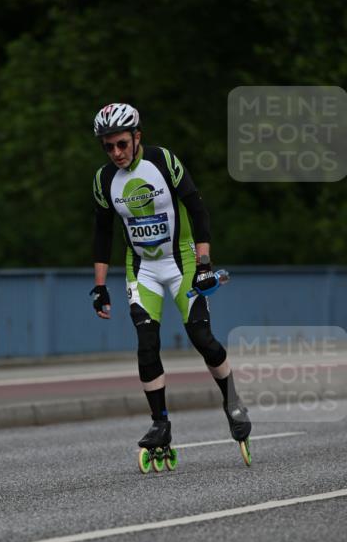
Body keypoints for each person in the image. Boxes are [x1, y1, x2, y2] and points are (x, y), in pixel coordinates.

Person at [90, 102, 251, 455]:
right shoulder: (104, 180)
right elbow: (103, 235)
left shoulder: (163, 162)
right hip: (142, 267)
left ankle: (232, 402)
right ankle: (160, 423)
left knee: (202, 338)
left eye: (121, 143)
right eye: (108, 146)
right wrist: (100, 287)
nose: (116, 153)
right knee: (146, 343)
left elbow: (197, 209)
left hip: (182, 262)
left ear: (137, 136)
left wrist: (205, 263)